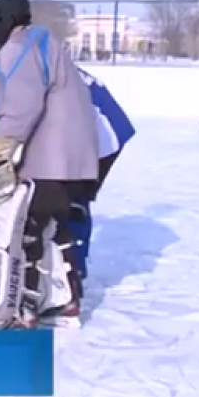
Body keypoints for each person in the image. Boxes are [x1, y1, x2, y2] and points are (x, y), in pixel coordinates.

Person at [0, 0, 99, 330]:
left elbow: (19, 109)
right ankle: (64, 300)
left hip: (50, 156)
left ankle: (23, 306)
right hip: (76, 156)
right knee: (53, 224)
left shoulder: (15, 50)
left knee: (24, 226)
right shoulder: (43, 40)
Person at [67, 68, 136, 279]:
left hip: (104, 136)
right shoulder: (51, 63)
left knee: (72, 199)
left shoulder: (49, 71)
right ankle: (72, 264)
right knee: (68, 196)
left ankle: (74, 268)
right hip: (101, 128)